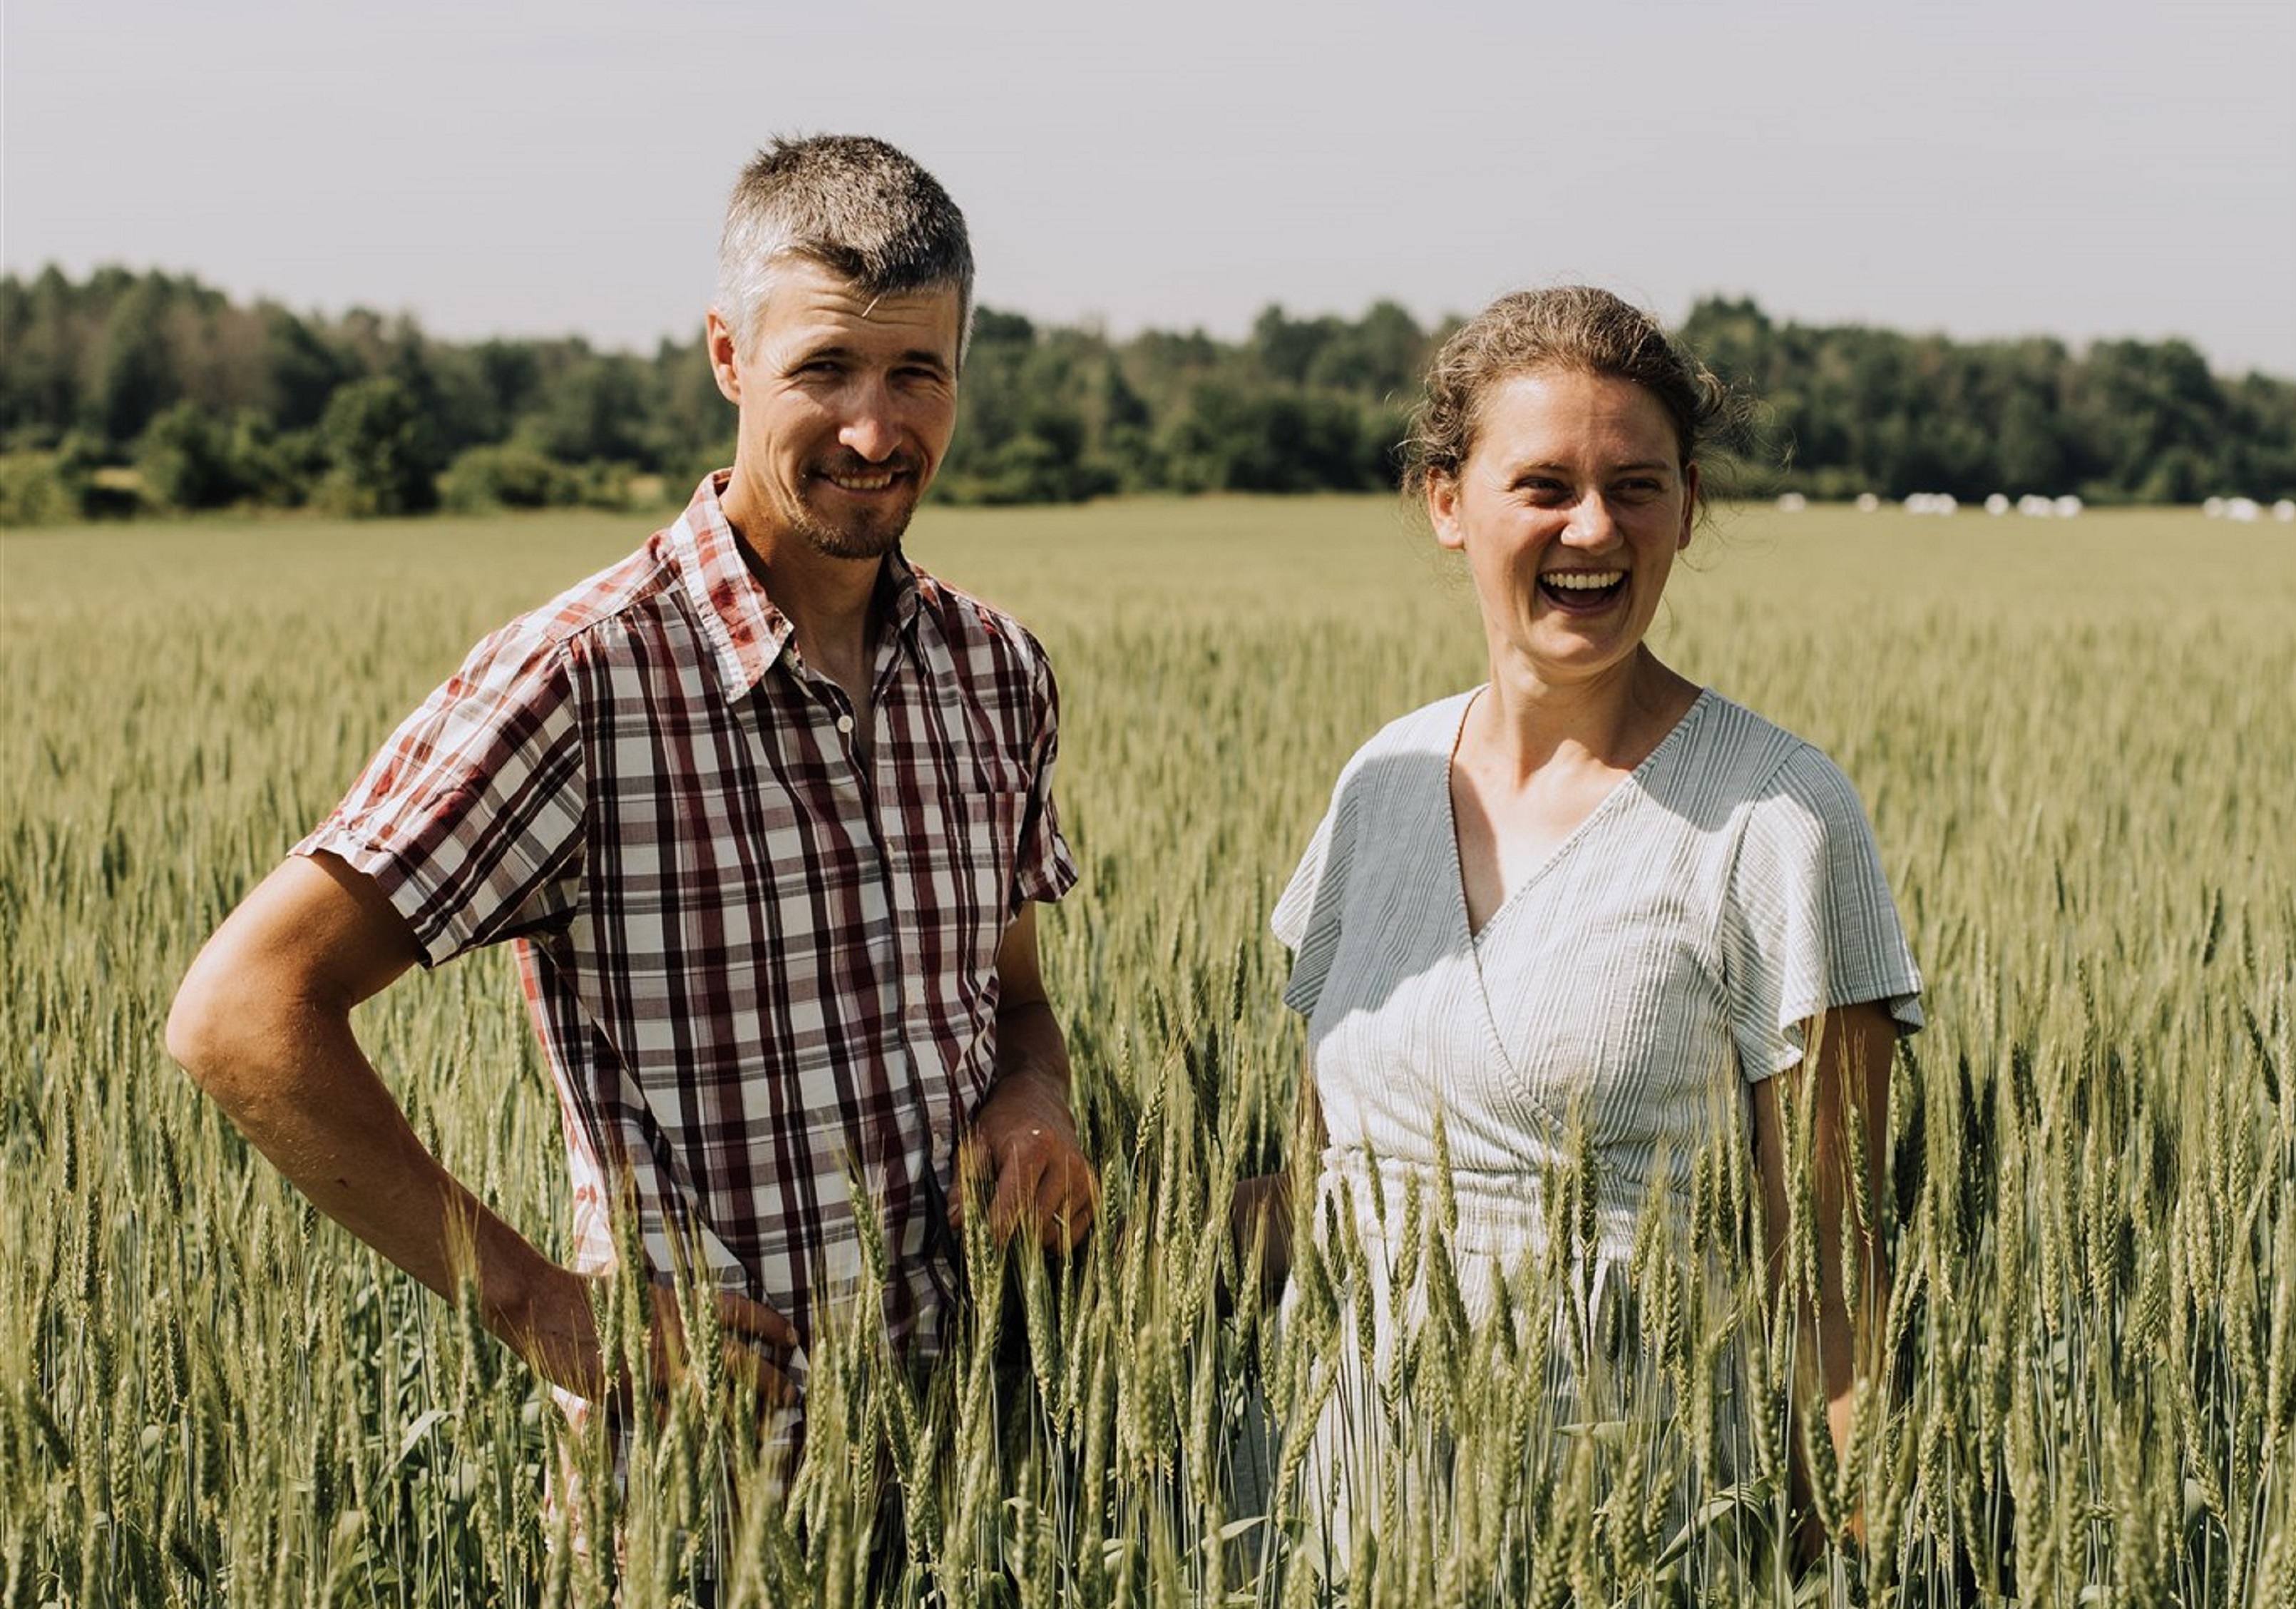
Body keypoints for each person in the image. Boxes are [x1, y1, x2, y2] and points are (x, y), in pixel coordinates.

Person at [166, 135, 1096, 1481]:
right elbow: (240, 1012)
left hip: (986, 1472)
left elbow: (1015, 1007)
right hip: (703, 1495)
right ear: (729, 355)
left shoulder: (994, 673)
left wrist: (1033, 1101)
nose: (875, 430)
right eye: (823, 368)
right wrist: (544, 1306)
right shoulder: (581, 681)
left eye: (918, 374)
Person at [1234, 285, 1922, 1571]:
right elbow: (1329, 1172)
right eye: (1543, 484)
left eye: (1638, 485)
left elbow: (1835, 1280)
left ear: (1688, 508)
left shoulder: (1776, 818)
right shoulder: (1379, 784)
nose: (1592, 528)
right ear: (1448, 503)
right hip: (1348, 1521)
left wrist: (1858, 1550)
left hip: (1632, 1534)